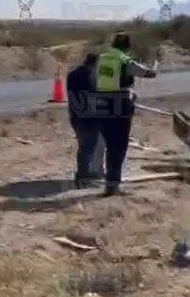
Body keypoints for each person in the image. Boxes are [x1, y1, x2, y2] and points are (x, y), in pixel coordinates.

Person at [93, 32, 158, 196]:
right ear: (127, 47)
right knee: (118, 146)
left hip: (101, 102)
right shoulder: (124, 60)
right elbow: (148, 73)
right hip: (120, 103)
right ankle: (112, 186)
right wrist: (156, 65)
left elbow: (95, 78)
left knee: (108, 144)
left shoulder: (102, 58)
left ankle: (110, 182)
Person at [65, 52, 105, 187]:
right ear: (96, 64)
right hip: (89, 118)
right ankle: (82, 178)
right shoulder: (91, 77)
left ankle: (84, 175)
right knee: (88, 149)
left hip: (74, 116)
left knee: (83, 147)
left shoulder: (72, 74)